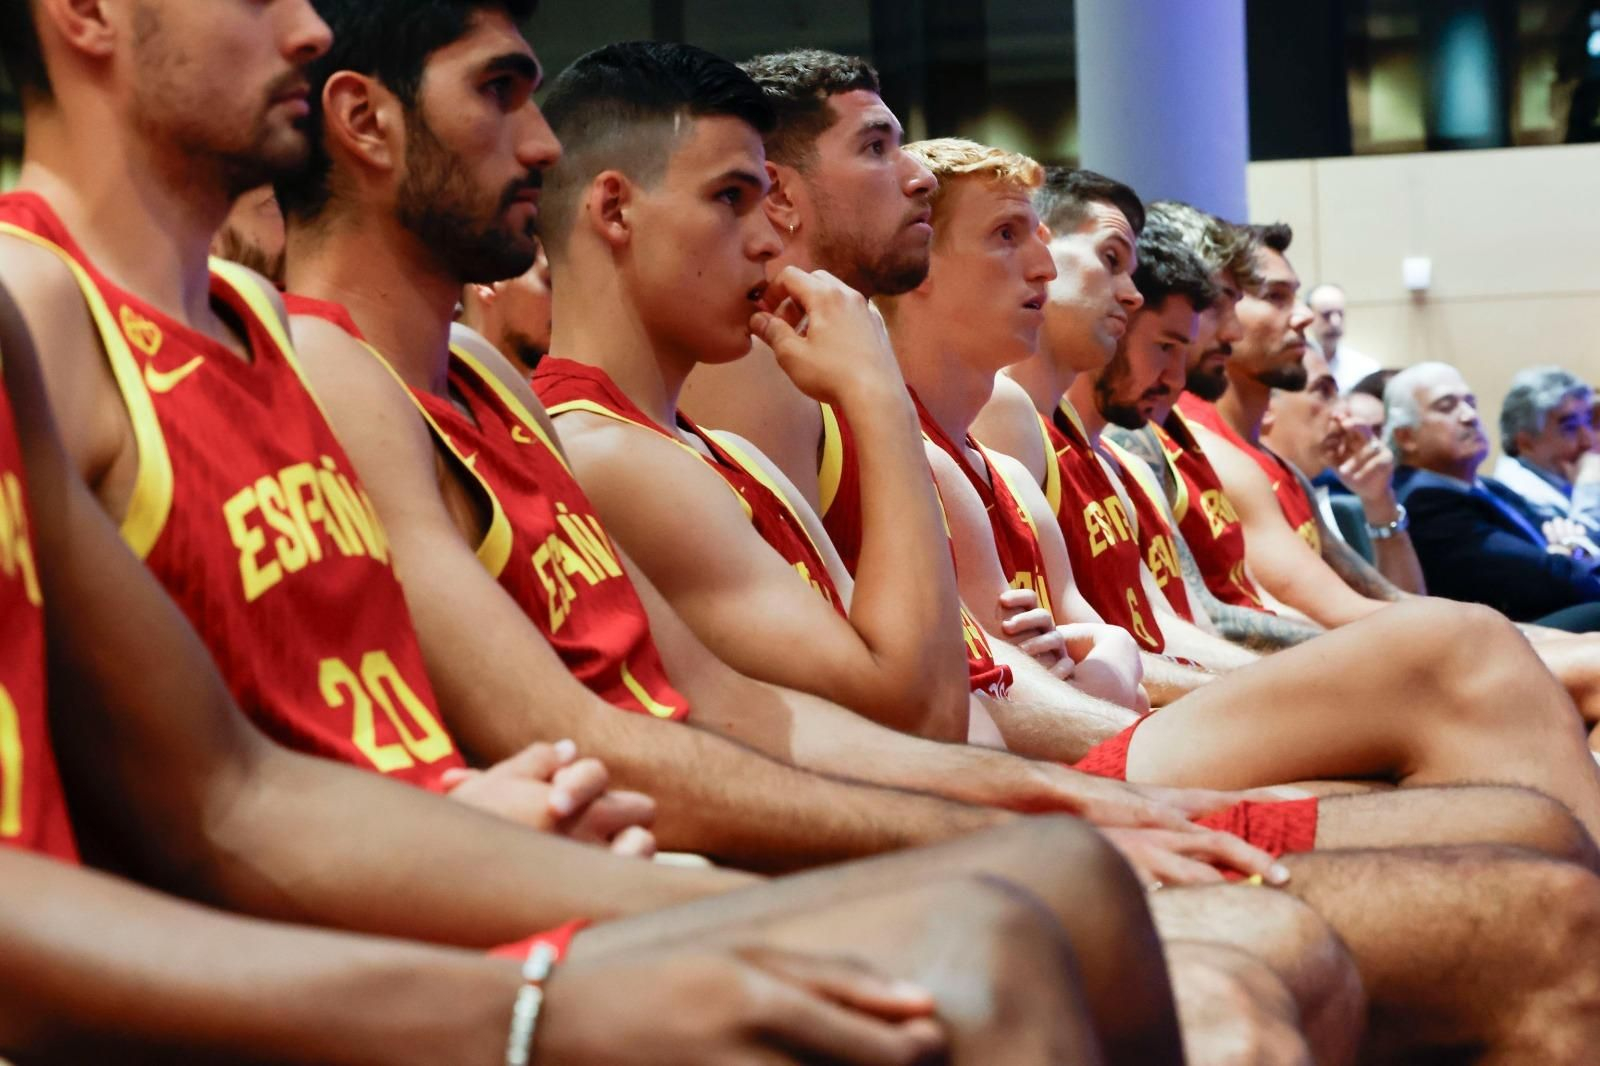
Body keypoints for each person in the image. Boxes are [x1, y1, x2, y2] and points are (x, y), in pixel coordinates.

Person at [0, 3, 1211, 1061]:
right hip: (366, 940)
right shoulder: (103, 321)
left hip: (460, 864)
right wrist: (528, 1001)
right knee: (1066, 918)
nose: (307, 29)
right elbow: (837, 706)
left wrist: (1005, 808)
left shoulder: (291, 333)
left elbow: (242, 795)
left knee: (1075, 887)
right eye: (735, 196)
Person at [270, 1, 1251, 873]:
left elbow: (714, 702)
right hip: (683, 866)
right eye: (498, 92)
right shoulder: (434, 395)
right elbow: (898, 706)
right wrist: (1009, 814)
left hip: (886, 802)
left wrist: (1043, 799)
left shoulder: (501, 386)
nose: (536, 145)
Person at [1388, 361, 1600, 624]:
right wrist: (1570, 550)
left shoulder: (1485, 486)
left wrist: (1567, 551)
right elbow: (1559, 580)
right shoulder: (1424, 502)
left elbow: (1565, 552)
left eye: (1470, 403)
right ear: (1406, 437)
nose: (1469, 415)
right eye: (1447, 407)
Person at [1261, 342, 1426, 592]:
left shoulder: (1310, 494)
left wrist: (1380, 502)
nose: (1343, 413)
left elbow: (1403, 604)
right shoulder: (1243, 491)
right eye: (1323, 391)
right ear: (1265, 406)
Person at [1493, 366, 1600, 535]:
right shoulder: (1520, 499)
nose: (1588, 440)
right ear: (1525, 442)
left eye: (1587, 421)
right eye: (1570, 427)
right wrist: (1590, 488)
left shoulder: (1561, 473)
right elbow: (1580, 555)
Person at [459, 240, 553, 375]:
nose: (566, 304)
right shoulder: (432, 384)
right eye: (551, 283)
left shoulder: (566, 391)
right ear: (488, 282)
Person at [1305, 282, 1378, 392]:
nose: (1335, 322)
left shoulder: (1366, 370)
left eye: (1340, 314)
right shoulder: (1294, 366)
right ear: (1308, 316)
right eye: (1326, 314)